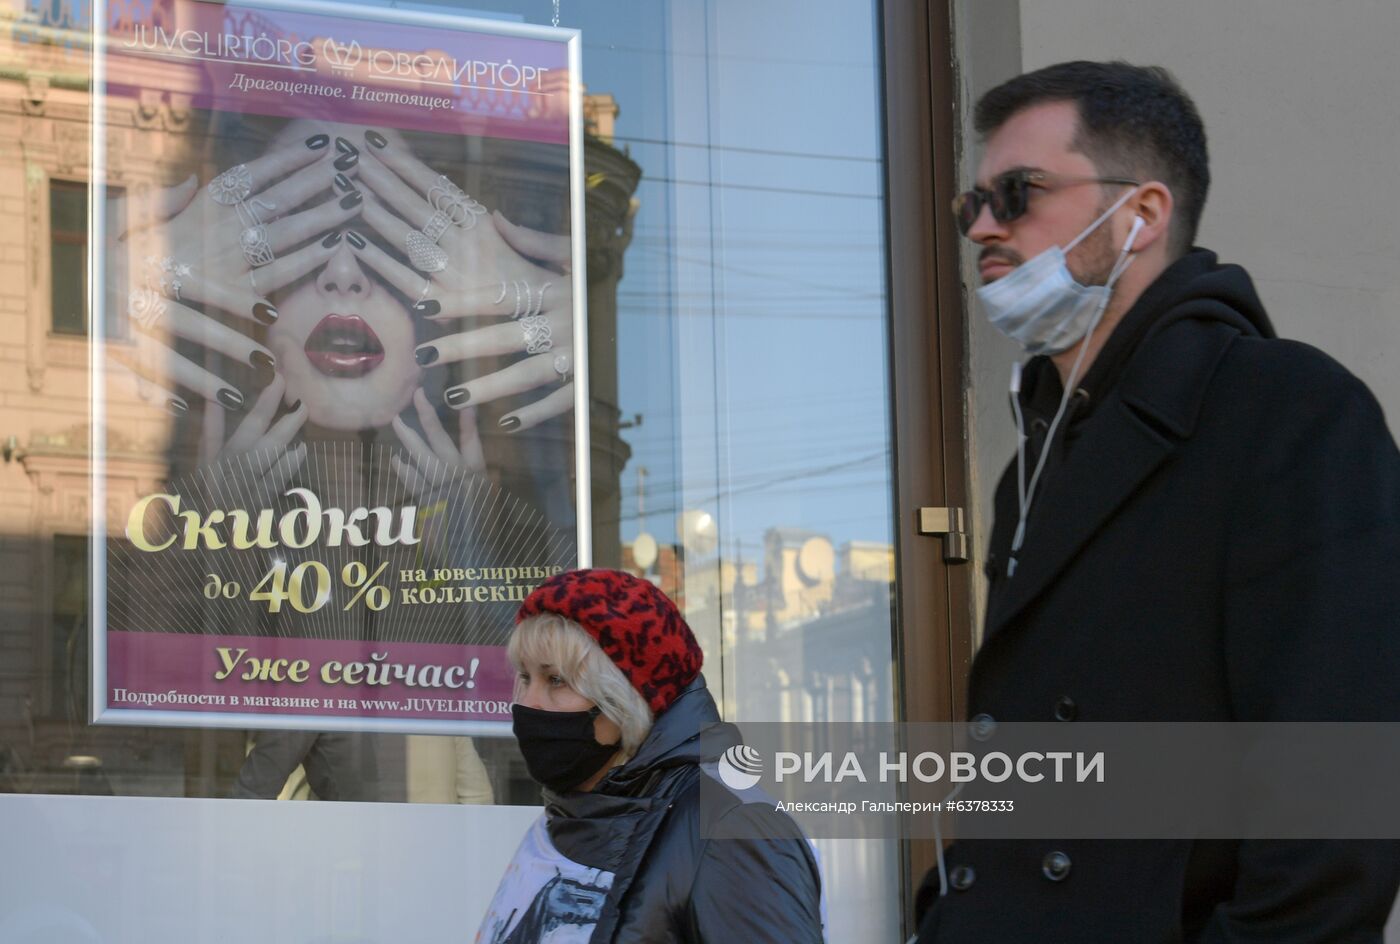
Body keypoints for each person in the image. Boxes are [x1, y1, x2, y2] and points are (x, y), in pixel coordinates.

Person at [914, 61, 1400, 942]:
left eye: (1018, 192)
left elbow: (1339, 816)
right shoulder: (1036, 461)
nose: (984, 225)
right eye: (971, 204)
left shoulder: (1287, 412)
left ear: (1139, 214)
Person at [477, 568, 826, 944]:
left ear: (627, 696)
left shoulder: (734, 832)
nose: (528, 703)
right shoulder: (569, 815)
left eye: (556, 680)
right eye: (525, 677)